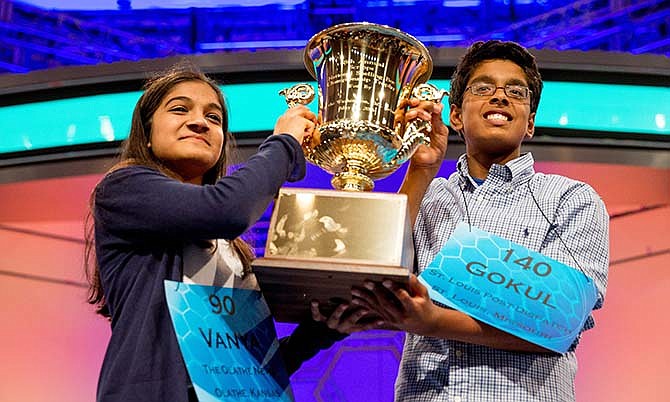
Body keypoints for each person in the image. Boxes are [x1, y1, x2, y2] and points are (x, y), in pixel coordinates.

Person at [84, 64, 373, 402]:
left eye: (214, 118)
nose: (199, 122)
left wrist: (320, 332)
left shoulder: (231, 251)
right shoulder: (124, 188)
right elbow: (226, 209)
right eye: (180, 109)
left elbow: (246, 367)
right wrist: (283, 144)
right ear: (146, 132)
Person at [347, 40, 610, 401]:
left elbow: (560, 325)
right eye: (483, 88)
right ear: (456, 115)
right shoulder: (430, 196)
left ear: (530, 122)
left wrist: (434, 322)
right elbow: (370, 269)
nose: (500, 97)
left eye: (515, 92)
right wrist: (421, 169)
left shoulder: (572, 199)